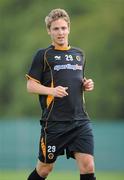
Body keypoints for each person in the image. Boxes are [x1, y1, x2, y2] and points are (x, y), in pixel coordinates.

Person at [26, 8, 96, 180]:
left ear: (69, 29)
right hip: (55, 123)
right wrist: (51, 91)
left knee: (88, 165)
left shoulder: (79, 55)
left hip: (80, 121)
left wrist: (86, 84)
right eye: (56, 29)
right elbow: (30, 86)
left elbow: (77, 79)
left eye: (63, 28)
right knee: (44, 169)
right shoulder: (43, 55)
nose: (60, 32)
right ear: (49, 31)